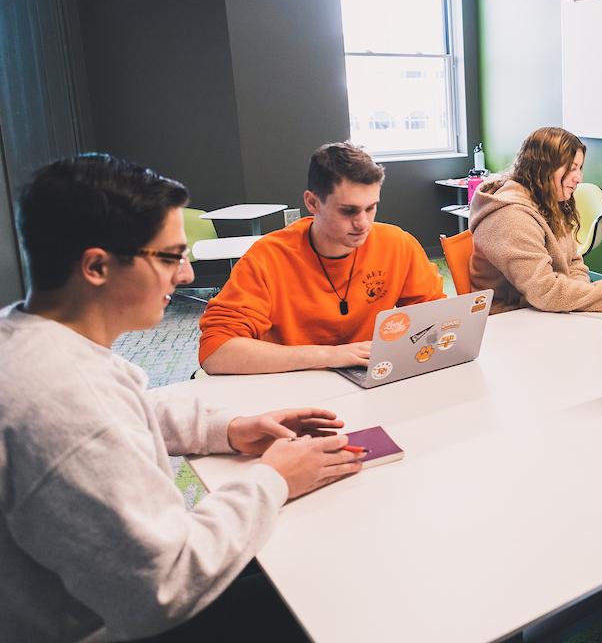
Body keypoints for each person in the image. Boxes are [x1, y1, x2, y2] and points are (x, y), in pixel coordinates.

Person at [0, 153, 364, 642]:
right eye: (171, 257)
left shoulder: (29, 338)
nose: (187, 275)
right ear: (97, 266)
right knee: (332, 588)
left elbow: (125, 409)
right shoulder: (65, 403)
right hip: (116, 627)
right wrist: (274, 478)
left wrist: (228, 429)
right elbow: (166, 587)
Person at [199, 141, 445, 374]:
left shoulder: (397, 244)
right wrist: (329, 356)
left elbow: (435, 316)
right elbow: (215, 351)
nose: (362, 223)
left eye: (371, 208)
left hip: (369, 379)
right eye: (348, 211)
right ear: (312, 203)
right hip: (290, 384)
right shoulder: (268, 257)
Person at [470, 126, 602, 314]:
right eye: (572, 169)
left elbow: (573, 262)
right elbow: (544, 291)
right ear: (543, 169)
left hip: (541, 311)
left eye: (580, 168)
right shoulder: (511, 217)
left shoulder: (550, 201)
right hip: (510, 320)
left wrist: (580, 296)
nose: (579, 177)